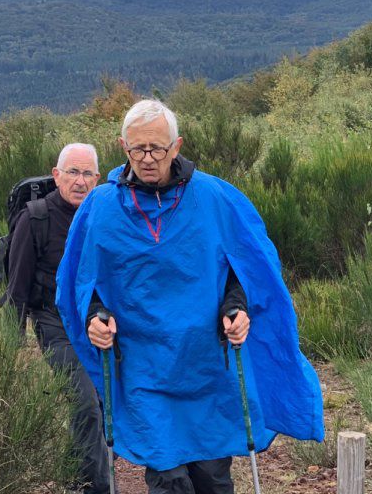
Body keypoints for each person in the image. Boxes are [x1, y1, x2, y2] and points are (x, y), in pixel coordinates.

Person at [56, 100, 324, 494]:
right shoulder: (101, 208)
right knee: (167, 477)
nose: (147, 159)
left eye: (157, 149)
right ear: (122, 147)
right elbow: (81, 281)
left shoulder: (215, 198)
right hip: (144, 365)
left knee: (211, 476)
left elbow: (246, 269)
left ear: (176, 146)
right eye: (137, 150)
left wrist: (237, 307)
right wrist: (94, 316)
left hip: (205, 365)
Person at [6, 143, 113, 494]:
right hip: (52, 323)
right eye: (72, 172)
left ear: (97, 178)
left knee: (97, 404)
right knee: (86, 403)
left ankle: (75, 478)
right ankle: (98, 488)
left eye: (86, 174)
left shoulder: (103, 217)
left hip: (97, 324)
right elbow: (17, 286)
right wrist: (9, 347)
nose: (79, 181)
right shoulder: (35, 217)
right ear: (57, 175)